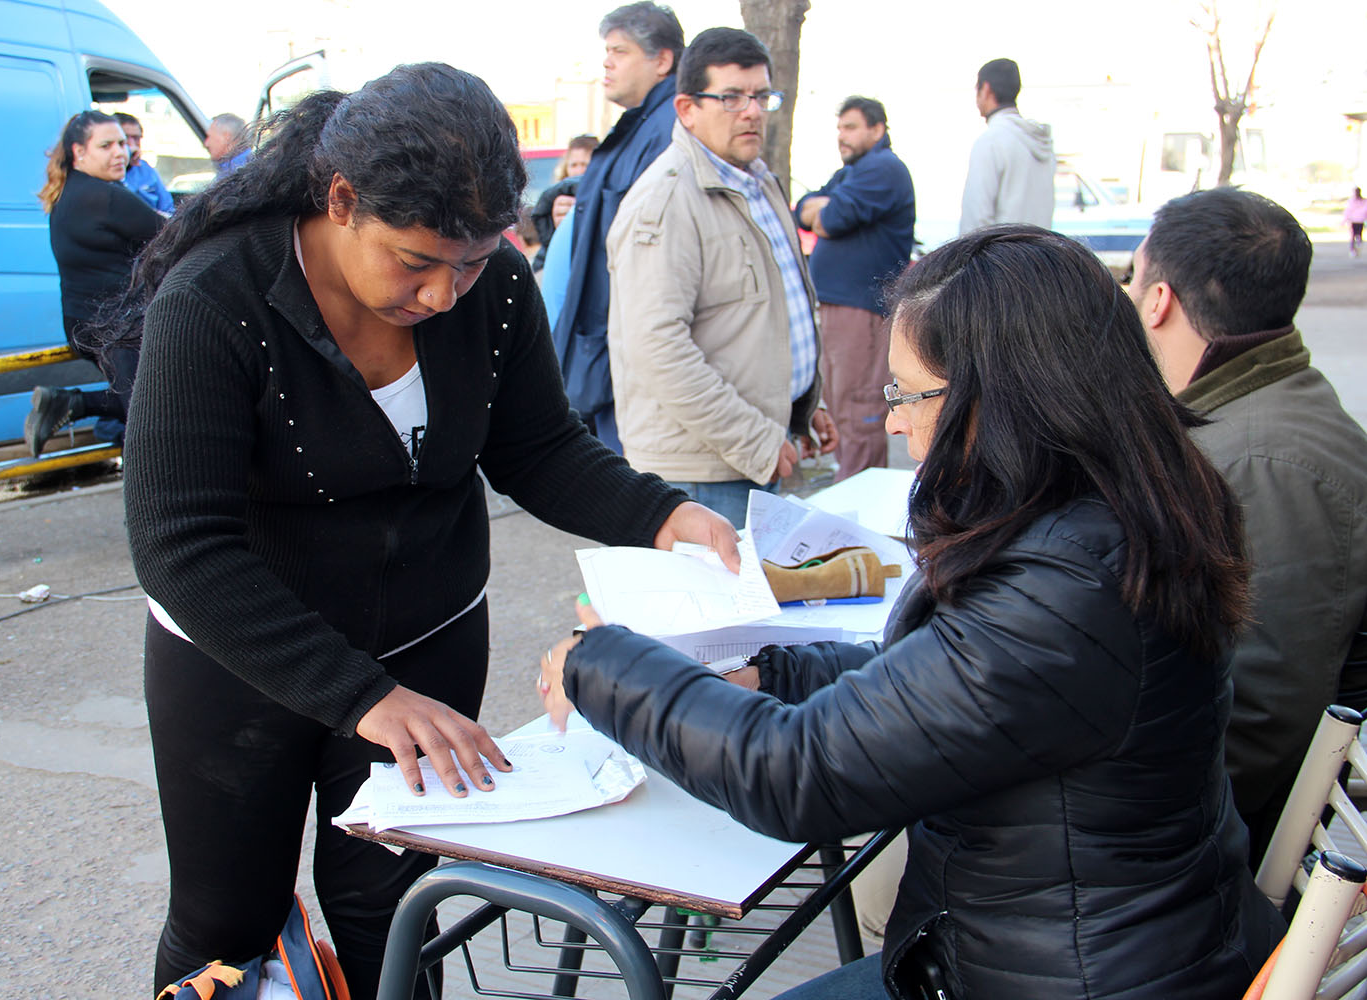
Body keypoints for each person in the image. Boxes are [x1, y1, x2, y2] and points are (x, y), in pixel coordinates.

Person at [113, 64, 740, 1000]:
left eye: (473, 261)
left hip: (428, 634)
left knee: (392, 905)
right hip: (237, 654)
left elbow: (538, 447)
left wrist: (660, 513)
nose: (446, 294)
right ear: (341, 201)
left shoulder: (495, 290)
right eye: (415, 262)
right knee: (226, 919)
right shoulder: (215, 300)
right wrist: (362, 694)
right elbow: (180, 545)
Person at [541, 226, 1284, 999]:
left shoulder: (1066, 590)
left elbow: (795, 774)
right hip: (1108, 944)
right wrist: (771, 672)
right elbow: (946, 677)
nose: (893, 422)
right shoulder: (1126, 510)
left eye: (906, 394)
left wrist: (601, 662)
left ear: (999, 399)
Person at [1128, 186, 1367, 861]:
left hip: (1199, 856)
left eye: (1132, 279)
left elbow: (1260, 719)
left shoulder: (1265, 462)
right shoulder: (1250, 414)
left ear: (1158, 301)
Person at [606, 27, 838, 529]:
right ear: (687, 108)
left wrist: (803, 404)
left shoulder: (758, 181)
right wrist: (757, 439)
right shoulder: (667, 201)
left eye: (761, 96)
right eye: (731, 97)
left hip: (755, 451)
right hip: (701, 474)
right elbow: (657, 348)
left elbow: (766, 314)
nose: (751, 111)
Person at [549, 2, 684, 450]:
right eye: (607, 51)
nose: (607, 62)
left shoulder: (667, 131)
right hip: (605, 353)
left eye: (620, 51)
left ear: (662, 60)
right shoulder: (640, 126)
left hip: (627, 359)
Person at [24, 110, 163, 457]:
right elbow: (174, 233)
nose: (120, 153)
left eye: (122, 144)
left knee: (151, 399)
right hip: (116, 328)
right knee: (154, 411)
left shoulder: (69, 191)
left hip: (86, 325)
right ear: (79, 152)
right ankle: (72, 404)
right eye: (106, 146)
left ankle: (70, 404)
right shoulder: (104, 197)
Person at [795, 97, 915, 478]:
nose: (841, 136)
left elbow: (831, 218)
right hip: (840, 309)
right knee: (840, 406)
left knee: (859, 411)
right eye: (839, 128)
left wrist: (824, 210)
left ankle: (860, 502)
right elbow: (801, 210)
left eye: (850, 127)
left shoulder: (884, 168)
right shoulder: (853, 171)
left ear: (877, 129)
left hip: (862, 310)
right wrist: (819, 208)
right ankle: (848, 491)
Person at [958, 58, 1054, 234]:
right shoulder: (1042, 142)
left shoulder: (991, 142)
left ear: (986, 89)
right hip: (1039, 249)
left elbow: (976, 221)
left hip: (1002, 251)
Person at [530, 133, 599, 271]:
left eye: (585, 164)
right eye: (574, 165)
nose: (579, 171)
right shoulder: (554, 200)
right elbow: (546, 254)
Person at [114, 111, 173, 213]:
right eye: (125, 139)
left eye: (136, 138)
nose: (132, 144)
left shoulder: (145, 170)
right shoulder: (109, 171)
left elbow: (167, 208)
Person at [204, 112, 251, 176]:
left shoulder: (237, 175)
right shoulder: (248, 164)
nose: (206, 144)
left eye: (209, 137)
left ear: (226, 137)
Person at [1345, 185, 1367, 256]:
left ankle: (1357, 246)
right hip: (1353, 221)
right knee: (1352, 236)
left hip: (1360, 221)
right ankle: (1352, 250)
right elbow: (1348, 211)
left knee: (1359, 235)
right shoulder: (1351, 201)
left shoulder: (1364, 201)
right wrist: (1345, 220)